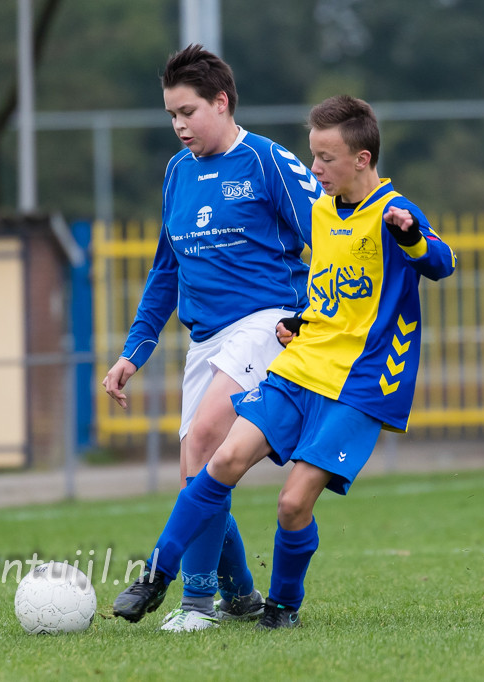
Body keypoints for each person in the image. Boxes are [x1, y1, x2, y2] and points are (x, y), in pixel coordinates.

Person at [112, 94, 456, 630]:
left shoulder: (393, 212)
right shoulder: (322, 212)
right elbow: (330, 292)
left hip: (360, 383)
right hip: (302, 366)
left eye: (326, 158)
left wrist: (411, 236)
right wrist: (300, 322)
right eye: (313, 155)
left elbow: (442, 261)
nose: (314, 168)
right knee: (222, 459)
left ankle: (281, 607)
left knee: (292, 503)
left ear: (362, 159)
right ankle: (157, 576)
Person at [102, 44, 321, 632]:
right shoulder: (177, 172)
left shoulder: (267, 162)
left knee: (202, 441)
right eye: (171, 114)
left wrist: (314, 316)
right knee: (195, 476)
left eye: (188, 111)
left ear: (221, 103)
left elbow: (329, 241)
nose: (179, 125)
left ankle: (196, 603)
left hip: (266, 323)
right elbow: (165, 271)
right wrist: (132, 352)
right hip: (206, 340)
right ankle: (241, 594)